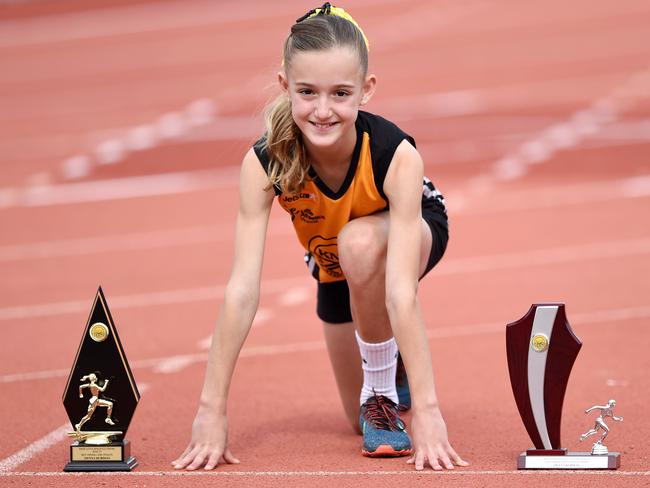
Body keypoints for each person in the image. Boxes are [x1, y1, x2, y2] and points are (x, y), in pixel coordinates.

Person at [173, 3, 468, 471]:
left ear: (366, 91)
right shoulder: (264, 162)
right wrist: (211, 409)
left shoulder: (396, 154)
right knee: (358, 422)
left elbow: (399, 292)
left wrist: (429, 413)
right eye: (307, 92)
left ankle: (383, 386)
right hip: (331, 260)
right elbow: (242, 289)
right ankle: (390, 371)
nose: (323, 110)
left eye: (340, 93)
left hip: (407, 233)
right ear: (284, 86)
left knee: (360, 244)